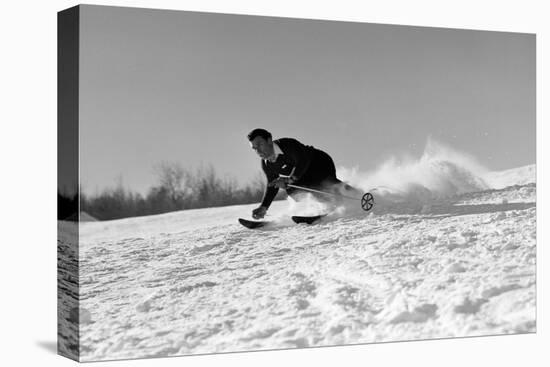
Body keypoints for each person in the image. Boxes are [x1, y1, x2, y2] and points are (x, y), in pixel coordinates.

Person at [247, 128, 359, 219]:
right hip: (302, 174)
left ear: (269, 140)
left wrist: (288, 180)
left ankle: (358, 195)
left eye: (260, 144)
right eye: (254, 148)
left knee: (320, 182)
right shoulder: (267, 164)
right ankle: (332, 205)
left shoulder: (287, 145)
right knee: (292, 189)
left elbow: (303, 161)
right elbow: (272, 185)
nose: (258, 151)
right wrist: (264, 207)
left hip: (318, 162)